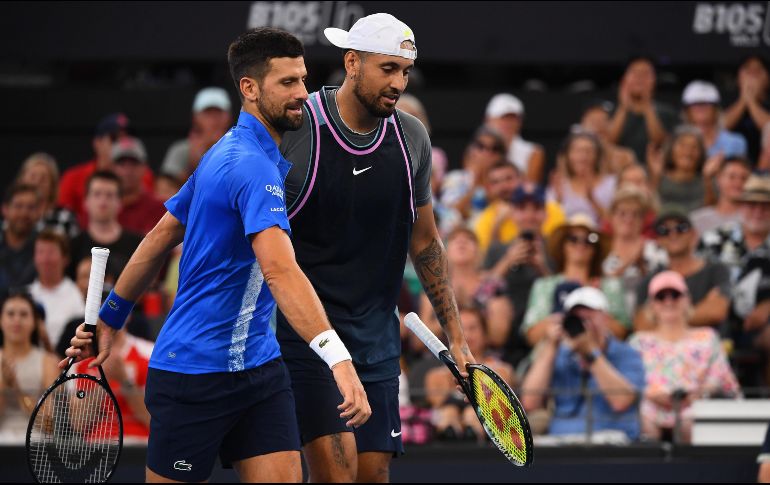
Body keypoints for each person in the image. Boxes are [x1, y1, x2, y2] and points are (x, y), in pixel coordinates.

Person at [63, 27, 370, 483]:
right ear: (249, 89)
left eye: (302, 80)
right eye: (287, 83)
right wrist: (339, 360)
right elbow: (280, 271)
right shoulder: (249, 166)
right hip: (192, 375)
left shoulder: (224, 152)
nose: (302, 93)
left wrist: (110, 316)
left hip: (259, 371)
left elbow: (161, 234)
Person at [278, 13, 475, 482]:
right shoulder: (298, 128)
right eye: (387, 69)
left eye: (405, 72)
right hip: (309, 338)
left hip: (376, 341)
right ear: (352, 62)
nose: (399, 83)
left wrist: (457, 336)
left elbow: (425, 241)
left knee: (372, 477)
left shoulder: (413, 139)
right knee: (336, 478)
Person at [520, 287, 646, 441]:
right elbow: (530, 401)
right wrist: (551, 347)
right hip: (563, 441)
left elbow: (621, 402)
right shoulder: (559, 355)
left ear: (605, 318)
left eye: (589, 317)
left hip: (612, 441)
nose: (584, 325)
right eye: (578, 319)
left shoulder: (626, 353)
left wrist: (591, 354)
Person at [629, 271, 740, 443]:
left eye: (675, 295)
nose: (669, 301)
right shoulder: (638, 341)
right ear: (651, 305)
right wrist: (652, 394)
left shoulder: (707, 337)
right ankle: (647, 465)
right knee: (643, 420)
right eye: (661, 297)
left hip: (696, 405)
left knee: (691, 423)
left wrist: (699, 393)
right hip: (651, 406)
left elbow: (720, 376)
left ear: (687, 299)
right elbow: (629, 381)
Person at [699, 174, 770, 386]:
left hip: (762, 328)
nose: (758, 211)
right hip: (716, 321)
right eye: (751, 205)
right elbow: (695, 279)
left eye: (765, 206)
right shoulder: (714, 239)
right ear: (741, 206)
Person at [521, 214, 630, 346]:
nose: (581, 244)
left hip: (600, 356)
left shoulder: (610, 285)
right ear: (563, 245)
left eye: (590, 239)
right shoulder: (544, 286)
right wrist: (563, 317)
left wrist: (594, 314)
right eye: (573, 239)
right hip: (552, 357)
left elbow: (621, 332)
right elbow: (532, 336)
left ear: (596, 249)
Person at [424, 307, 515, 441]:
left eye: (473, 328)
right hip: (446, 441)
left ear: (485, 334)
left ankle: (472, 430)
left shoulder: (502, 371)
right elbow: (438, 404)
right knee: (449, 412)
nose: (467, 334)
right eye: (460, 330)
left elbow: (501, 409)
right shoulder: (435, 376)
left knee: (471, 414)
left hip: (490, 439)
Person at [634, 207, 730, 331]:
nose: (673, 234)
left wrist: (663, 316)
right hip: (665, 349)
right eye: (664, 231)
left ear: (693, 234)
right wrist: (697, 311)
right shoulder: (650, 280)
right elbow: (641, 325)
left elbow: (717, 311)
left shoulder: (716, 270)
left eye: (681, 228)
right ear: (658, 239)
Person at [57, 113, 154, 228]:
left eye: (128, 138)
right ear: (97, 143)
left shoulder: (144, 175)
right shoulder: (73, 178)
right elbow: (64, 218)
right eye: (114, 139)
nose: (121, 143)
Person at [0, 291, 59, 442]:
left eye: (24, 314)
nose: (17, 320)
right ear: (1, 320)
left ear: (34, 322)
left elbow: (49, 424)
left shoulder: (49, 362)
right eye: (10, 314)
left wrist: (17, 390)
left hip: (36, 445)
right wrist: (4, 386)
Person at [67, 171, 143, 283]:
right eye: (97, 194)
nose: (103, 201)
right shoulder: (72, 246)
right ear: (85, 201)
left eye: (109, 195)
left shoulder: (138, 244)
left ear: (120, 202)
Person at [602, 186, 667, 312]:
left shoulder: (656, 250)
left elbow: (663, 287)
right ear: (611, 217)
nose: (629, 219)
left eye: (636, 214)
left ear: (643, 220)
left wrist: (642, 267)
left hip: (648, 318)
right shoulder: (600, 251)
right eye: (622, 213)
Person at [607, 56, 677, 162]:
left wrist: (647, 107)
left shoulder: (667, 112)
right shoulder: (610, 111)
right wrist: (623, 108)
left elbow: (661, 143)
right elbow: (608, 142)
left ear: (654, 80)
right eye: (634, 73)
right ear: (624, 79)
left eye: (645, 74)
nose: (639, 78)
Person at [28, 230, 84, 351]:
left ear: (65, 259)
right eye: (41, 252)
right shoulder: (27, 295)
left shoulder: (75, 295)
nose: (45, 259)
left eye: (51, 252)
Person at [161, 87, 234, 181]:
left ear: (228, 117)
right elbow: (164, 190)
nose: (214, 118)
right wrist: (193, 166)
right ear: (195, 117)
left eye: (219, 113)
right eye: (208, 113)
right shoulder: (182, 150)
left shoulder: (244, 149)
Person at [548, 131, 617, 224]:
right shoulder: (559, 186)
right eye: (577, 151)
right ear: (568, 156)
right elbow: (551, 223)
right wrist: (558, 201)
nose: (583, 156)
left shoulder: (612, 184)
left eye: (588, 151)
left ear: (597, 155)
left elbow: (616, 222)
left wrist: (592, 200)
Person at [647, 125, 717, 213]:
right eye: (682, 145)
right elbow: (651, 209)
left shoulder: (708, 182)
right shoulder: (658, 179)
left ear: (701, 153)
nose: (688, 152)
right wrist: (656, 177)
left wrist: (707, 178)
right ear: (671, 148)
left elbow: (710, 212)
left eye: (694, 147)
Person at [15, 152, 79, 240]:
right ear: (22, 180)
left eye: (43, 178)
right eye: (33, 177)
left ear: (52, 185)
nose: (37, 182)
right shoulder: (11, 214)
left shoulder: (65, 217)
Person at [484, 93, 545, 183]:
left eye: (513, 118)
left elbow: (528, 188)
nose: (508, 123)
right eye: (503, 118)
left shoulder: (534, 151)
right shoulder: (476, 151)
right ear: (488, 120)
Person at [113, 136, 167, 235]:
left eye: (134, 164)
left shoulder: (160, 208)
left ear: (144, 167)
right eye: (122, 164)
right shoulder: (102, 206)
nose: (127, 171)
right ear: (112, 168)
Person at [681, 80, 747, 159]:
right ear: (686, 111)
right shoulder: (677, 143)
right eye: (695, 104)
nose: (701, 108)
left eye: (707, 103)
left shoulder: (735, 142)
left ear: (716, 110)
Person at [723, 55, 770, 165]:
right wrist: (744, 100)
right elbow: (720, 126)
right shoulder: (727, 101)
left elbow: (769, 128)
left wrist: (751, 101)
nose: (752, 75)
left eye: (758, 71)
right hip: (731, 169)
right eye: (748, 70)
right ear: (738, 77)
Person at [691, 156, 752, 234]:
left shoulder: (755, 221)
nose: (738, 183)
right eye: (732, 177)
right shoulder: (697, 220)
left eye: (744, 178)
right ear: (718, 179)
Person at [0, 184, 41, 290]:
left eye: (30, 207)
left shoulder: (44, 247)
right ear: (5, 209)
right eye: (18, 206)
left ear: (39, 212)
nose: (24, 213)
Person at [579, 101, 637, 174]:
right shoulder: (572, 157)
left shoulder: (624, 156)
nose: (598, 125)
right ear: (583, 124)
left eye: (603, 120)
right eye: (593, 120)